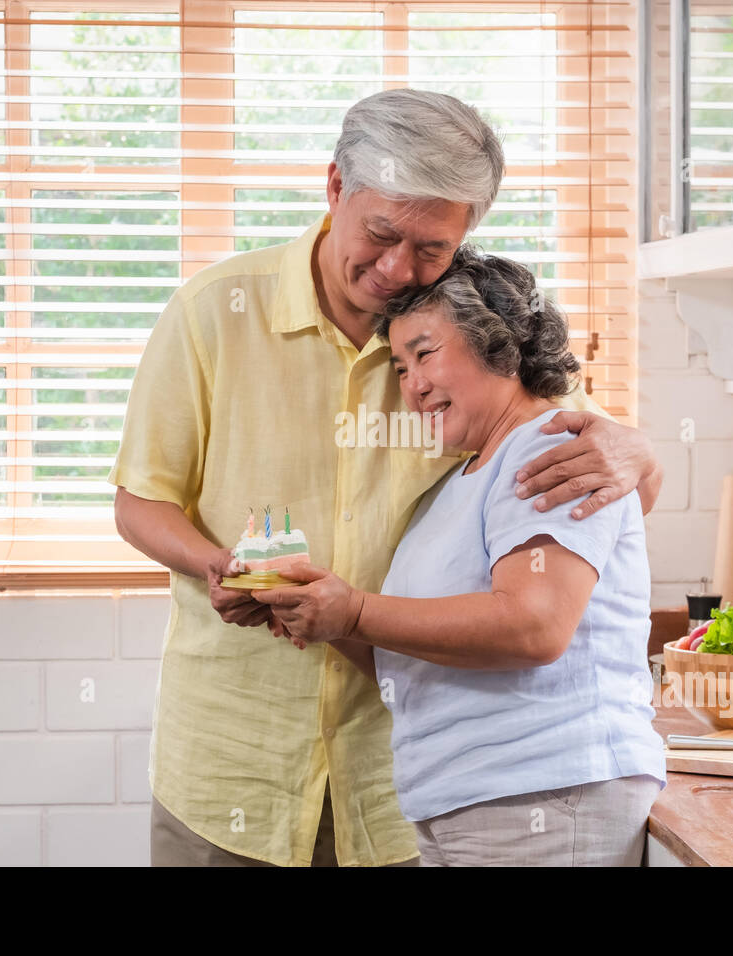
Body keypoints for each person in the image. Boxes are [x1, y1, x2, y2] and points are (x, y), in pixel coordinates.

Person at [107, 89, 664, 867]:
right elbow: (140, 500)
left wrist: (640, 452)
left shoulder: (470, 339)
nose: (397, 268)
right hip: (234, 759)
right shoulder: (213, 314)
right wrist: (215, 567)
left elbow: (591, 463)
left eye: (431, 248)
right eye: (381, 233)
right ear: (336, 189)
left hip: (407, 778)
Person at [253, 246, 666, 866]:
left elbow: (534, 627)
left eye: (426, 353)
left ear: (496, 345)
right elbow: (422, 661)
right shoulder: (458, 483)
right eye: (398, 366)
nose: (412, 384)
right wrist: (322, 614)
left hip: (542, 793)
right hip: (472, 802)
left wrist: (356, 610)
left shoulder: (551, 451)